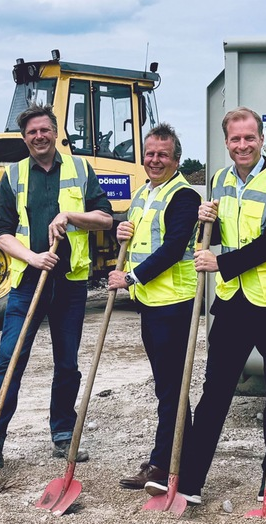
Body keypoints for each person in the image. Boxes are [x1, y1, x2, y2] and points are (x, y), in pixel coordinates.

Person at [0, 104, 113, 470]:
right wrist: (32, 257)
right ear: (25, 138)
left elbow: (105, 218)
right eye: (31, 132)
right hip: (28, 282)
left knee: (67, 364)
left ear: (55, 132)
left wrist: (70, 216)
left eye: (44, 130)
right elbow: (1, 232)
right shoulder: (14, 176)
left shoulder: (79, 169)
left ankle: (62, 434)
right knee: (9, 360)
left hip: (70, 284)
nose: (38, 136)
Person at [175, 106, 266, 503]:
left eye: (250, 137)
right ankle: (192, 480)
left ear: (262, 139)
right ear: (227, 142)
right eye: (236, 139)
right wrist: (204, 223)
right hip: (232, 303)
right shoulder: (218, 181)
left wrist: (221, 263)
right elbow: (218, 237)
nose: (243, 145)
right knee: (214, 391)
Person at [108, 123, 202, 500]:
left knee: (172, 389)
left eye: (163, 154)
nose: (155, 160)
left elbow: (174, 246)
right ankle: (179, 456)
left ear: (176, 159)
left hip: (174, 305)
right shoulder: (143, 194)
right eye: (150, 154)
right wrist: (121, 236)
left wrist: (130, 277)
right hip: (152, 304)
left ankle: (166, 462)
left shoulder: (183, 196)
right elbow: (140, 239)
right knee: (167, 387)